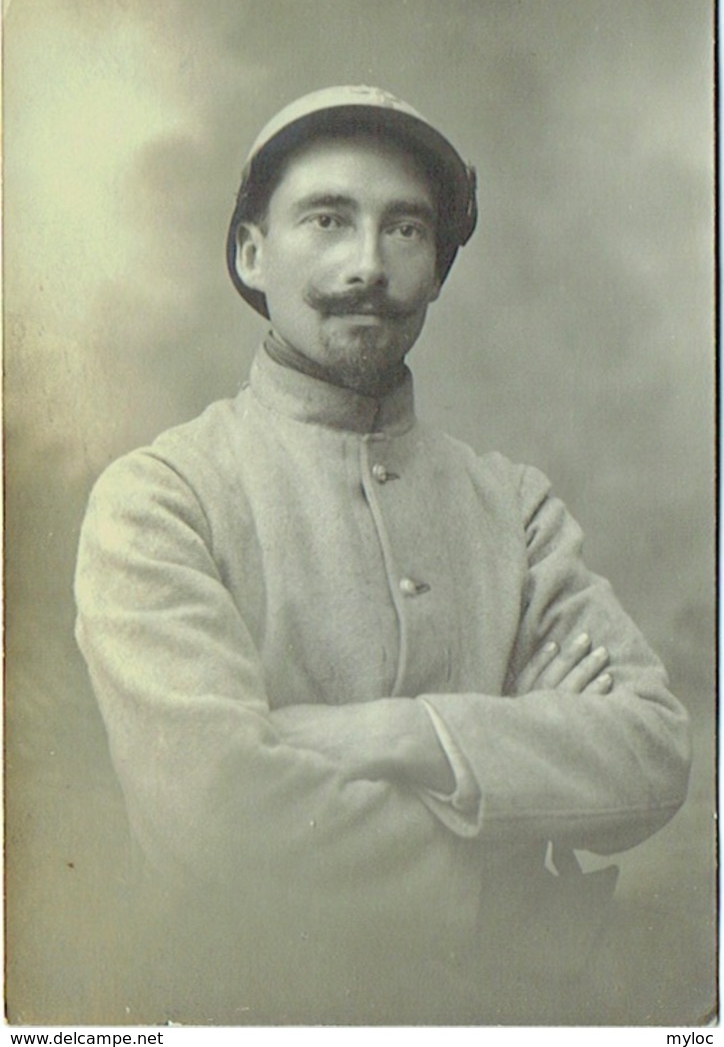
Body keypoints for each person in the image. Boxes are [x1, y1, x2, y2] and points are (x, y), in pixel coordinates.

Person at [74, 85, 691, 1025]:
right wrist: (506, 864)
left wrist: (400, 734)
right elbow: (222, 823)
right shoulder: (162, 499)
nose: (368, 263)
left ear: (438, 266)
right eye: (328, 219)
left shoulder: (512, 508)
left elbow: (652, 749)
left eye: (406, 230)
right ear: (251, 253)